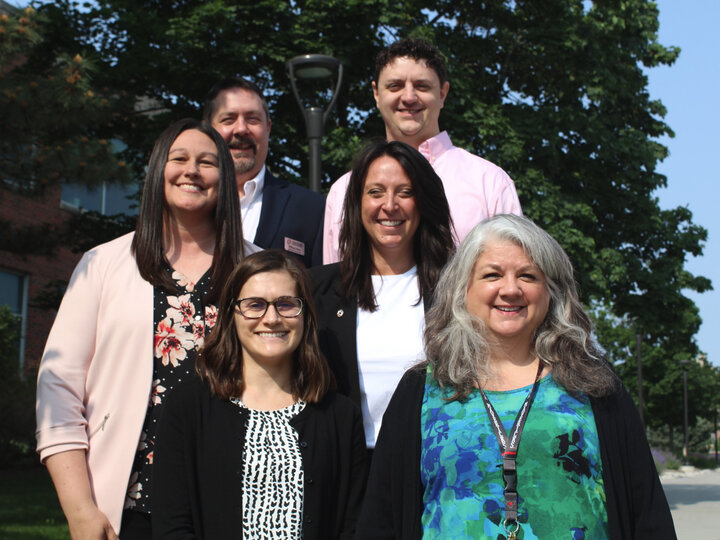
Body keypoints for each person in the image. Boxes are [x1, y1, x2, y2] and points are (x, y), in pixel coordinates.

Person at [357, 214, 676, 539]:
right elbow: (380, 520)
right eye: (492, 275)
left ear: (551, 291)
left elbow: (646, 510)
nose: (510, 289)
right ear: (463, 289)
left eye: (528, 276)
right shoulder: (422, 389)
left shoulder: (592, 383)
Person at [35, 118, 246, 539]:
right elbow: (58, 388)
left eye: (208, 162)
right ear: (156, 172)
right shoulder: (103, 264)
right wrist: (80, 510)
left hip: (232, 503)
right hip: (128, 506)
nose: (192, 171)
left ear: (226, 178)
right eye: (179, 158)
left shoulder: (257, 270)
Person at [152, 250, 367, 539]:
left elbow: (352, 527)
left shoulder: (340, 416)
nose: (271, 318)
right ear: (232, 314)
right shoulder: (189, 406)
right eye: (255, 305)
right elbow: (172, 524)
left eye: (286, 304)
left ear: (305, 315)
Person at [323, 38, 522, 264]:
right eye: (395, 86)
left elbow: (512, 273)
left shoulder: (490, 183)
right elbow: (335, 289)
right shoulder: (343, 191)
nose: (408, 97)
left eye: (422, 86)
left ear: (443, 94)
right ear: (376, 94)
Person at [311, 140, 454, 451]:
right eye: (375, 192)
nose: (390, 205)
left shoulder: (456, 291)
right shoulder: (316, 290)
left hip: (428, 468)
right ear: (357, 202)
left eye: (405, 192)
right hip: (347, 474)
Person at [204, 77, 325, 267]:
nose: (241, 129)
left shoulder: (312, 209)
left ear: (267, 128)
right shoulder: (185, 203)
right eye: (228, 119)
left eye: (253, 119)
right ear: (209, 129)